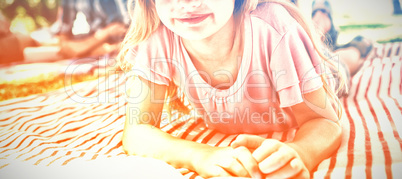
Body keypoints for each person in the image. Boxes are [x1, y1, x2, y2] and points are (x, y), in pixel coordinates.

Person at [119, 0, 345, 178]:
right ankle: (322, 19)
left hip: (312, 64)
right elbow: (137, 130)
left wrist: (301, 152)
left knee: (340, 65)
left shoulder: (275, 28)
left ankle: (343, 35)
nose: (187, 3)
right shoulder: (159, 36)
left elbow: (324, 122)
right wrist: (201, 156)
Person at [51, 0, 130, 59]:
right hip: (98, 43)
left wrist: (82, 48)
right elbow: (64, 43)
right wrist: (106, 33)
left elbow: (130, 32)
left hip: (124, 42)